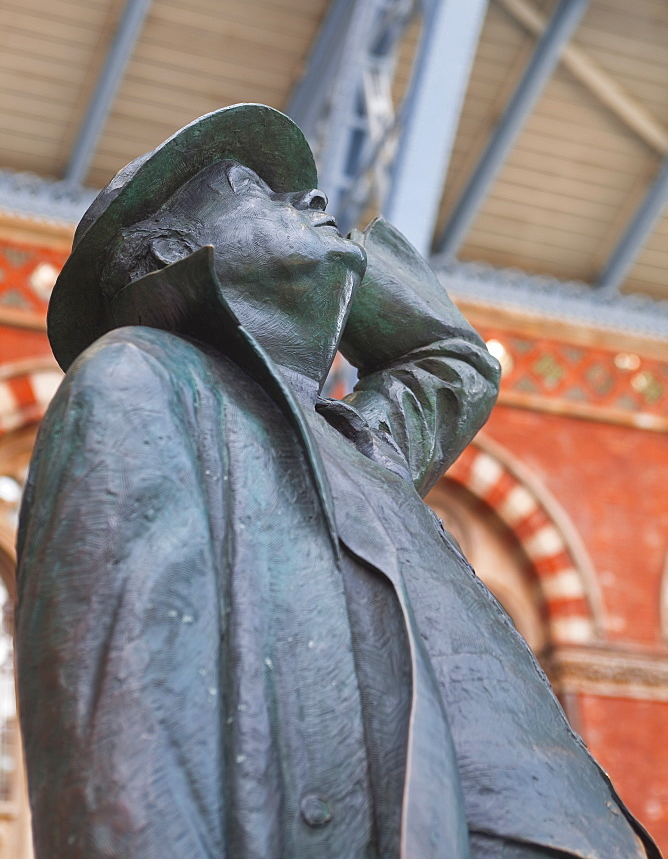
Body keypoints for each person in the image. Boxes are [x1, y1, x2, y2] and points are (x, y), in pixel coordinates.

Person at [16, 105, 659, 859]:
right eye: (255, 192)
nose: (315, 200)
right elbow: (125, 734)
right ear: (167, 249)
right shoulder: (145, 384)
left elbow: (454, 363)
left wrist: (343, 264)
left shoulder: (358, 440)